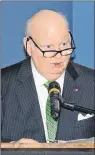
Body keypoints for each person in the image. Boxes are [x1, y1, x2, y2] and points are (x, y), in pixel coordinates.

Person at [1, 10, 95, 146]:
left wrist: (57, 147)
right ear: (29, 46)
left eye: (64, 45)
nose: (59, 56)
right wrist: (12, 148)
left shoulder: (91, 83)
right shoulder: (4, 84)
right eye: (49, 48)